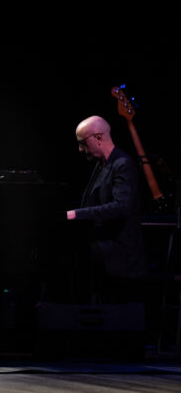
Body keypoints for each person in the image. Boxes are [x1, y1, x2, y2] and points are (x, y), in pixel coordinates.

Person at [66, 115, 146, 303]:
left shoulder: (123, 164)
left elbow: (121, 207)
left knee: (69, 260)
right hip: (102, 245)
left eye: (82, 143)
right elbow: (91, 204)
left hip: (118, 251)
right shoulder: (101, 165)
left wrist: (75, 214)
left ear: (98, 137)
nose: (80, 149)